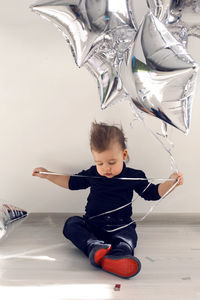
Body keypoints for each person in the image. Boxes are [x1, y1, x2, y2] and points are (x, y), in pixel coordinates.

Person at [32, 122, 183, 279]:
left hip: (120, 225)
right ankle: (94, 247)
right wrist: (48, 175)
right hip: (92, 225)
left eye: (111, 162)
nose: (106, 168)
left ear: (124, 155)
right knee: (71, 224)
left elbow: (152, 193)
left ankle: (118, 257)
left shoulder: (134, 175)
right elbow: (71, 182)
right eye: (100, 163)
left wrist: (171, 183)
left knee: (129, 237)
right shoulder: (93, 174)